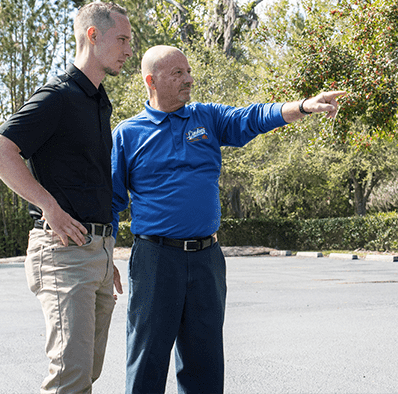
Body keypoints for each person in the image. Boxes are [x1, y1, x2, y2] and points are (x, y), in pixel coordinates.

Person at [111, 45, 346, 394]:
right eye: (178, 73)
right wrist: (103, 256)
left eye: (188, 71)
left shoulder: (207, 118)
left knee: (203, 364)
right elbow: (112, 201)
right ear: (151, 80)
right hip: (156, 260)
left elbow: (253, 117)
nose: (188, 78)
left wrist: (302, 107)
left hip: (207, 260)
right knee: (147, 361)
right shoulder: (128, 134)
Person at [0, 1, 131, 393]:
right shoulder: (58, 96)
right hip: (63, 255)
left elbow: (89, 181)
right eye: (122, 39)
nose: (129, 50)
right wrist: (50, 207)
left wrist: (104, 252)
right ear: (93, 36)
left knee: (85, 374)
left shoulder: (98, 101)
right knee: (69, 377)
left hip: (94, 253)